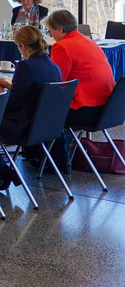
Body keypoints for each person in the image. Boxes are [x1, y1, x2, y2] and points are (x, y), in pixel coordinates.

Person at [36, 9, 116, 172]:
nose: (51, 35)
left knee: (40, 111)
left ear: (60, 29)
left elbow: (56, 84)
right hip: (107, 109)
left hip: (86, 110)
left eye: (51, 30)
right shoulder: (89, 42)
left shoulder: (62, 46)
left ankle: (57, 161)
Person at [0, 25, 62, 158]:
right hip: (46, 124)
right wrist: (8, 85)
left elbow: (11, 105)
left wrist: (0, 91)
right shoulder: (53, 66)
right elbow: (34, 92)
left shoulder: (25, 66)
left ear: (23, 46)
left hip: (23, 127)